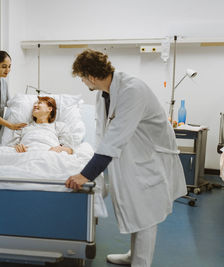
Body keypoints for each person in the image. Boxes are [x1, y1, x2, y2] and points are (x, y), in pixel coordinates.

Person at [65, 49, 187, 267]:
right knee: (135, 208)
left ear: (91, 76)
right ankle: (134, 255)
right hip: (133, 155)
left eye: (82, 78)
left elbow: (113, 140)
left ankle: (141, 262)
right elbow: (104, 136)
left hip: (152, 158)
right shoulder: (104, 93)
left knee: (146, 214)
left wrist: (85, 175)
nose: (83, 82)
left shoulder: (132, 91)